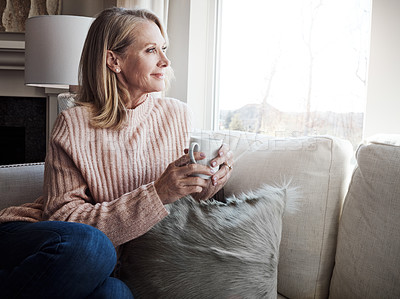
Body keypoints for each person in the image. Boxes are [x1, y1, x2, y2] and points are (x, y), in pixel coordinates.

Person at [0, 7, 233, 298]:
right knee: (93, 246)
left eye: (163, 48)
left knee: (116, 293)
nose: (165, 60)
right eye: (151, 50)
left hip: (103, 262)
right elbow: (62, 219)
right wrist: (157, 193)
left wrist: (211, 178)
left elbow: (183, 198)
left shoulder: (177, 115)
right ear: (114, 60)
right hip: (37, 239)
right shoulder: (74, 123)